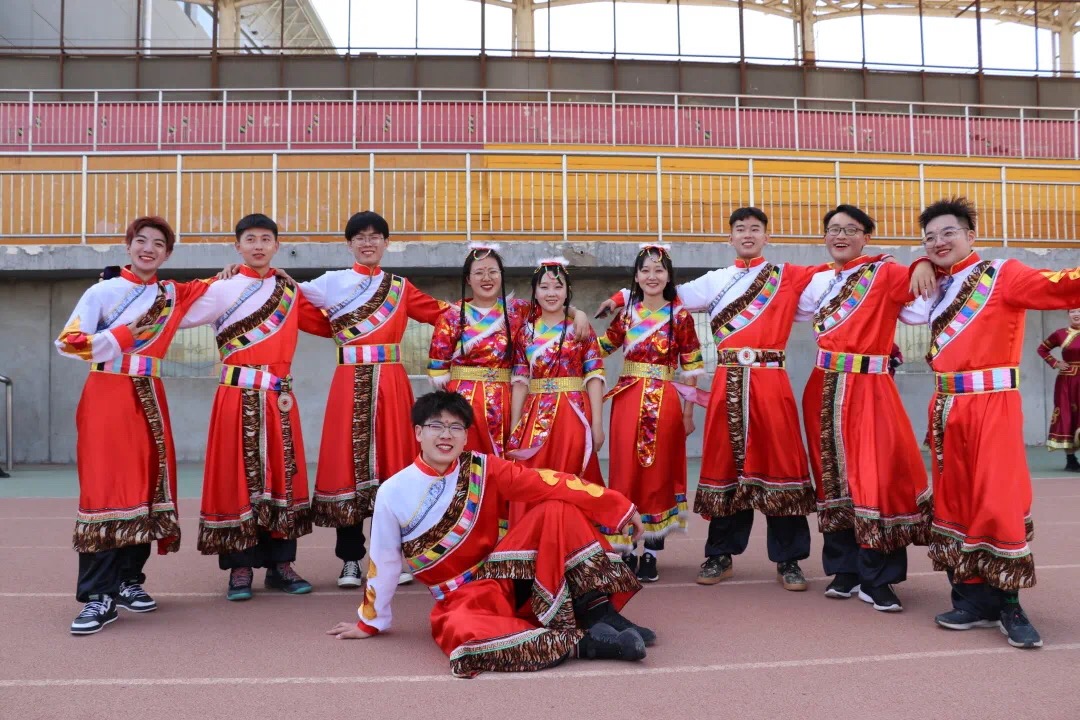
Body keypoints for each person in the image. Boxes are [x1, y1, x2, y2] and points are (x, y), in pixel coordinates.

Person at [325, 391, 653, 677]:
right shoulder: (392, 491)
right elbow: (383, 562)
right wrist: (369, 622)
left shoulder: (482, 466)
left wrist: (619, 506)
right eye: (437, 426)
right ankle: (588, 643)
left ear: (466, 436)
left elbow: (545, 482)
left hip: (504, 578)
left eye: (456, 427)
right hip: (459, 598)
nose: (446, 435)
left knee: (556, 508)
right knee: (460, 629)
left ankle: (597, 612)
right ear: (418, 432)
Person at [598, 208, 830, 592]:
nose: (747, 234)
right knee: (724, 466)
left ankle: (789, 560)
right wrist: (619, 297)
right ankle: (720, 554)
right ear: (730, 237)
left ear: (767, 236)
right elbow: (663, 292)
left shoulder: (788, 275)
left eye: (755, 229)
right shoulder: (714, 281)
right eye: (740, 229)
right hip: (728, 380)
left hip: (771, 381)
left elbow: (838, 275)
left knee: (781, 464)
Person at [906, 196, 1080, 649]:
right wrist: (918, 264)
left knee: (997, 500)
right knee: (954, 502)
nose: (938, 242)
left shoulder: (1003, 274)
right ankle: (971, 599)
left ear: (971, 236)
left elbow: (1062, 286)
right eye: (929, 238)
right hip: (946, 406)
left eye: (948, 233)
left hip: (993, 404)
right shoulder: (935, 283)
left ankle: (1009, 604)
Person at [56, 216, 213, 634]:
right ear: (128, 246)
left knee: (146, 487)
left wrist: (244, 269)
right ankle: (98, 595)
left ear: (168, 253)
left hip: (150, 396)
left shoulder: (171, 294)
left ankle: (128, 580)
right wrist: (123, 336)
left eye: (158, 244)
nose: (148, 248)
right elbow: (69, 342)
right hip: (107, 393)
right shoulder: (102, 292)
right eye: (141, 241)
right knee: (105, 489)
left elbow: (218, 286)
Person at [181, 213, 331, 601]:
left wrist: (301, 286)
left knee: (283, 476)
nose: (259, 245)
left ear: (277, 246)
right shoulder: (221, 287)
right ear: (238, 246)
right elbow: (178, 313)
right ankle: (241, 567)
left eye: (266, 239)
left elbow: (331, 323)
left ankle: (281, 564)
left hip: (278, 399)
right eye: (250, 239)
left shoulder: (289, 292)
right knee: (237, 478)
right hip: (236, 396)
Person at [298, 211, 448, 589]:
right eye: (360, 237)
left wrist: (491, 313)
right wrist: (240, 275)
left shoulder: (400, 287)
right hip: (348, 382)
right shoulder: (331, 283)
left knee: (394, 467)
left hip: (392, 383)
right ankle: (350, 560)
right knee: (347, 466)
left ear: (386, 243)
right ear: (349, 244)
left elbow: (443, 314)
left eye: (375, 236)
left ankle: (392, 557)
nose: (368, 243)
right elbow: (284, 297)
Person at [796, 205, 933, 613]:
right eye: (833, 229)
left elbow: (924, 285)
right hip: (822, 388)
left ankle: (879, 577)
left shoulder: (885, 273)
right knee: (832, 480)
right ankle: (845, 571)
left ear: (867, 236)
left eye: (851, 229)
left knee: (877, 479)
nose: (840, 236)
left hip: (870, 387)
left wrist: (923, 260)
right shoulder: (818, 280)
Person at [598, 244, 705, 582]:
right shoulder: (627, 314)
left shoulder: (680, 316)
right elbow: (601, 347)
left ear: (669, 277)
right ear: (636, 277)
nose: (652, 276)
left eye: (659, 270)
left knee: (659, 473)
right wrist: (571, 322)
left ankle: (652, 552)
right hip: (627, 399)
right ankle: (627, 548)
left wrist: (688, 413)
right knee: (625, 471)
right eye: (645, 270)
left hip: (666, 401)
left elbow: (691, 366)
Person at [428, 243, 591, 460]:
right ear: (468, 279)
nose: (487, 278)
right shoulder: (451, 316)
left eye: (492, 271)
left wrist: (578, 313)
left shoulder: (518, 310)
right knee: (464, 459)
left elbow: (551, 306)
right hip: (462, 402)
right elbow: (438, 368)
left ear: (501, 275)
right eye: (479, 272)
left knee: (503, 462)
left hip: (506, 399)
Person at [1036, 308, 1080, 471]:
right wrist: (1055, 363)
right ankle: (1071, 460)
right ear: (1068, 314)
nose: (1076, 314)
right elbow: (1042, 349)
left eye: (1079, 311)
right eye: (1073, 311)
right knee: (1067, 416)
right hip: (1067, 382)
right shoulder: (1061, 334)